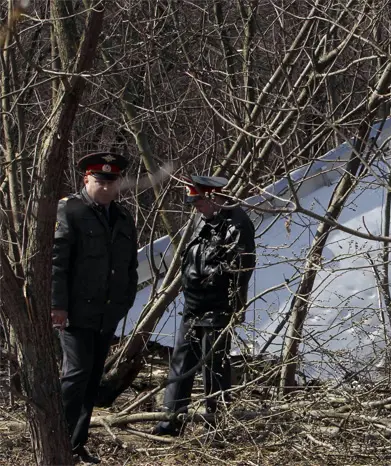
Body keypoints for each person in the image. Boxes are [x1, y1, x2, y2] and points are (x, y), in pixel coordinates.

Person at [151, 175, 256, 437]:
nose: (195, 208)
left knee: (214, 367)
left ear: (214, 197)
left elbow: (241, 269)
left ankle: (217, 425)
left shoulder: (237, 223)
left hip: (218, 307)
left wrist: (221, 292)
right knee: (181, 362)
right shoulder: (203, 221)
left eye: (199, 202)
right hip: (193, 305)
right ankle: (170, 421)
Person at [52, 152, 138, 464]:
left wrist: (125, 299)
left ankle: (75, 444)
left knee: (90, 380)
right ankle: (57, 441)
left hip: (106, 313)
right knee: (76, 375)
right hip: (75, 311)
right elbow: (57, 262)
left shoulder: (123, 217)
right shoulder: (70, 209)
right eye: (100, 180)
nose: (105, 186)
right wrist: (57, 305)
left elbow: (129, 265)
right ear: (86, 179)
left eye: (111, 181)